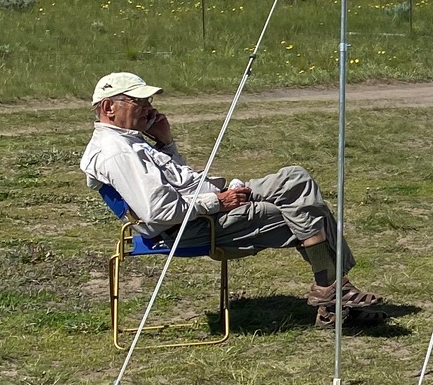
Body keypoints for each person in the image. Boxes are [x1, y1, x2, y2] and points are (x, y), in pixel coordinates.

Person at [79, 71, 385, 329]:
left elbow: (178, 181)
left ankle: (331, 291)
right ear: (109, 107)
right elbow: (160, 210)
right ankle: (333, 292)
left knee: (296, 179)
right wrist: (218, 202)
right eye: (139, 102)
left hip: (206, 207)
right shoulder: (118, 152)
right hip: (192, 226)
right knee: (303, 209)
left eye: (149, 102)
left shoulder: (129, 141)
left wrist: (166, 142)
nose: (148, 108)